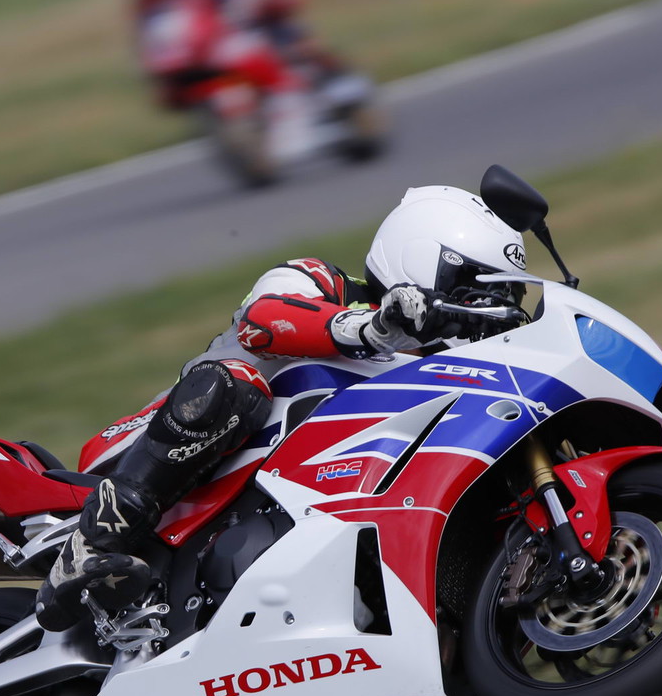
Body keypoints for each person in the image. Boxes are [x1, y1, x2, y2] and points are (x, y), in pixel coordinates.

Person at [35, 184, 531, 630]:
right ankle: (92, 544)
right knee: (236, 386)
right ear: (424, 256)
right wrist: (371, 329)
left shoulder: (440, 372)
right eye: (480, 292)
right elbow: (263, 321)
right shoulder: (321, 281)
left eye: (506, 297)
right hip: (165, 446)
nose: (490, 313)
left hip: (309, 498)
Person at [134, 0, 344, 110]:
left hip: (236, 16)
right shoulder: (152, 0)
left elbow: (251, 3)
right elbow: (149, 29)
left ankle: (333, 78)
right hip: (205, 48)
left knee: (270, 24)